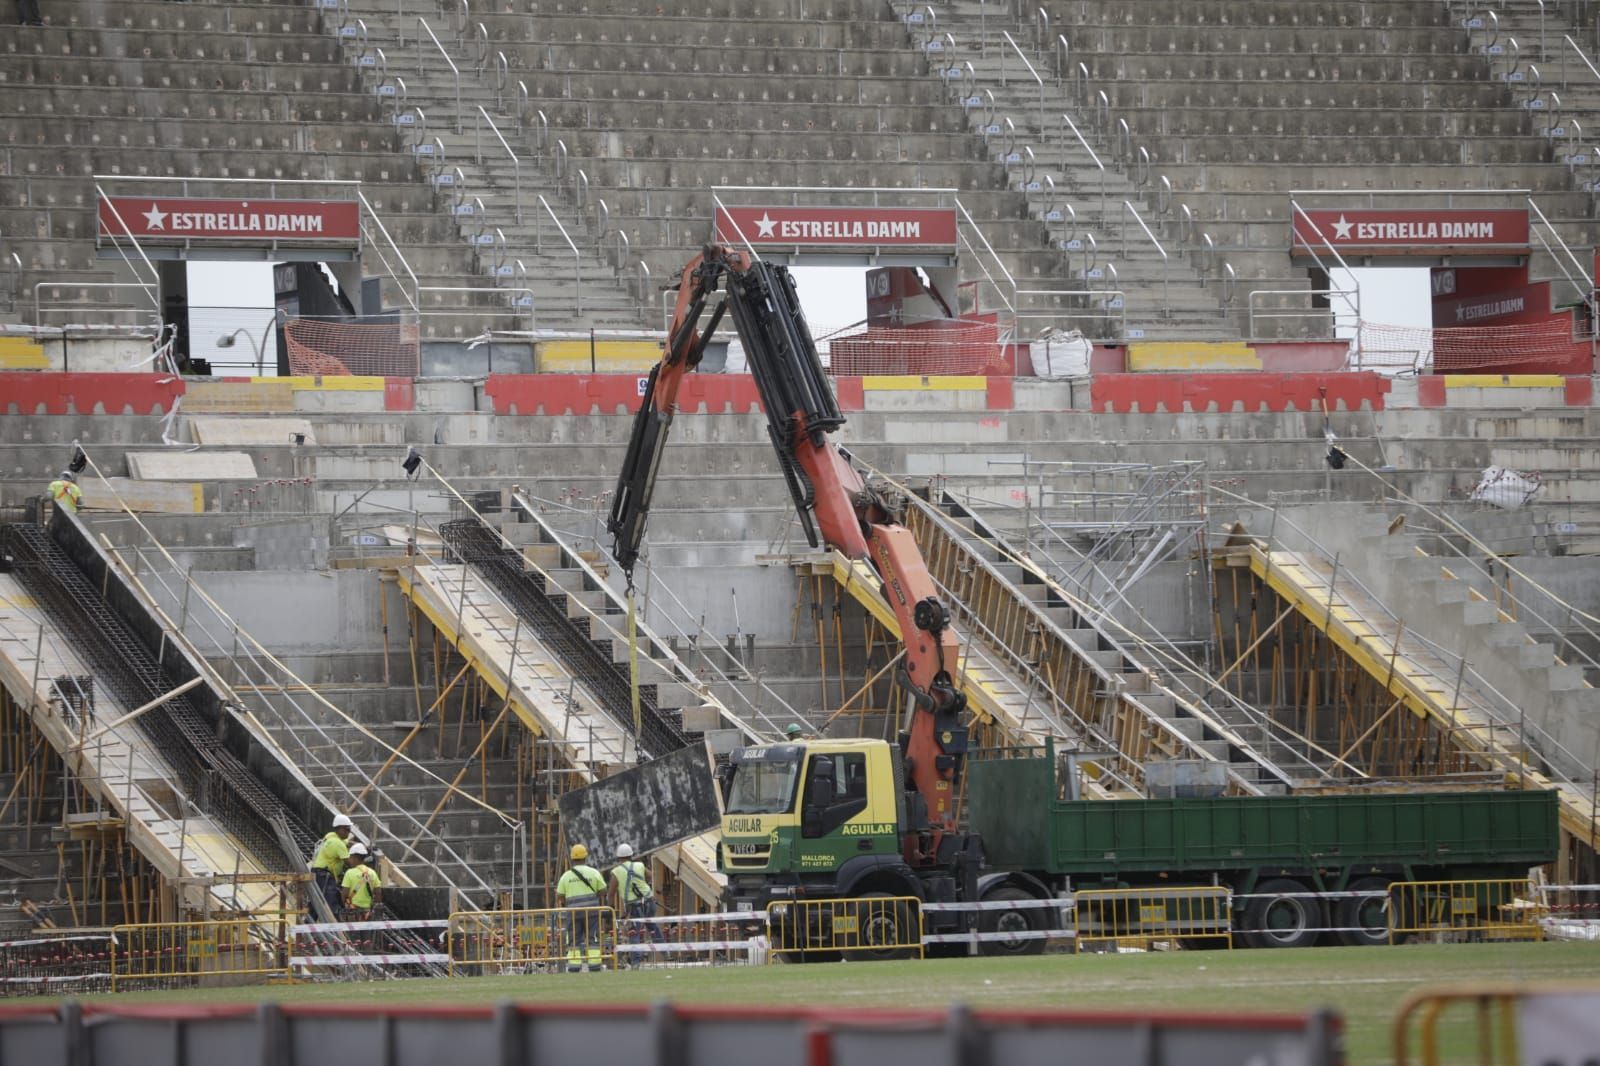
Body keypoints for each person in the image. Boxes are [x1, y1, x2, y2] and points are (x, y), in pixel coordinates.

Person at [555, 844, 608, 973]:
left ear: (572, 858)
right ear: (586, 856)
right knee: (593, 938)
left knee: (573, 938)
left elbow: (560, 896)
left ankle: (574, 966)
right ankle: (594, 965)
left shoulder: (566, 876)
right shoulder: (594, 872)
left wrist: (569, 902)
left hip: (573, 913)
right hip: (592, 912)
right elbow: (603, 890)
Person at [610, 843, 661, 968]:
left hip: (634, 906)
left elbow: (610, 893)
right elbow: (651, 877)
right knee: (653, 927)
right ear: (631, 855)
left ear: (618, 858)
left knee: (634, 933)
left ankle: (636, 962)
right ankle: (666, 951)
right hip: (648, 902)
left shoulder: (616, 871)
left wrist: (610, 910)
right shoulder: (640, 865)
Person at [308, 814, 353, 915]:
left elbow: (347, 843)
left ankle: (308, 924)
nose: (348, 832)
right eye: (346, 829)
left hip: (318, 873)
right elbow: (350, 863)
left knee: (316, 902)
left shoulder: (331, 836)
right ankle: (333, 927)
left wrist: (359, 846)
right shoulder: (338, 844)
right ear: (340, 829)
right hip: (324, 876)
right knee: (331, 902)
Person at [340, 843, 382, 919]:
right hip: (367, 912)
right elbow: (378, 893)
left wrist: (346, 906)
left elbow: (344, 894)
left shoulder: (349, 873)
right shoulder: (372, 873)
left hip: (352, 911)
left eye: (350, 857)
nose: (349, 860)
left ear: (355, 858)